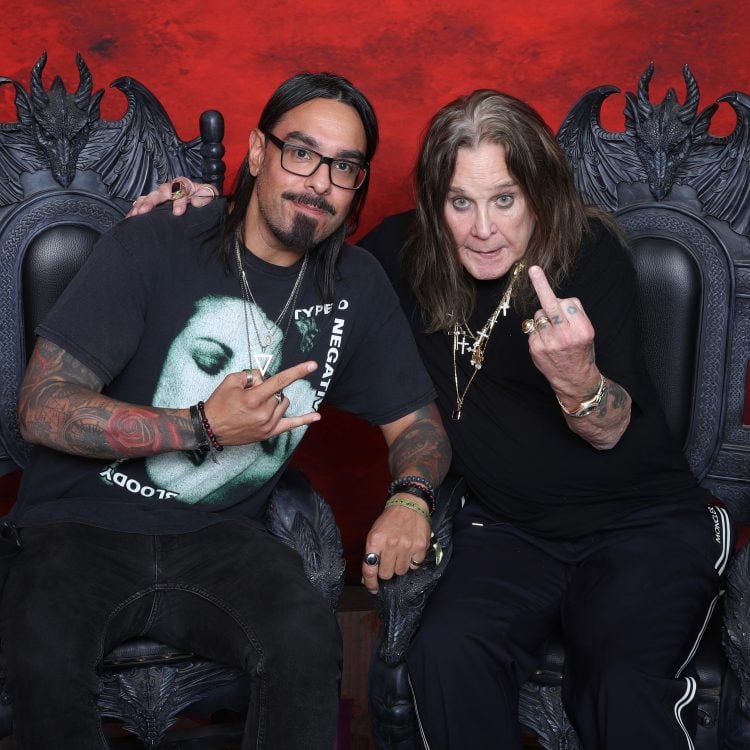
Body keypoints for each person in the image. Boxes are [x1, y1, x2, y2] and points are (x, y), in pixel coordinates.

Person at [141, 89, 731, 748]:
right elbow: (292, 249)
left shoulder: (590, 254)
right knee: (446, 657)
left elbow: (610, 429)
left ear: (538, 195)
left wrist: (579, 380)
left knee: (618, 682)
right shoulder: (399, 256)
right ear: (433, 204)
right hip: (508, 528)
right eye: (461, 202)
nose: (483, 229)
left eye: (504, 200)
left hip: (640, 525)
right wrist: (207, 211)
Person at [3, 72, 451, 750]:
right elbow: (40, 407)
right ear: (258, 151)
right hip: (78, 525)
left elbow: (418, 424)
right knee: (43, 657)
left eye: (344, 167)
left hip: (220, 536)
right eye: (301, 153)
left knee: (306, 641)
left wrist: (411, 497)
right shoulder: (156, 240)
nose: (319, 182)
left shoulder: (355, 284)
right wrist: (203, 427)